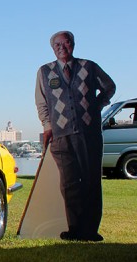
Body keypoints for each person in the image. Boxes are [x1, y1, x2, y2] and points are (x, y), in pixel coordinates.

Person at [35, 30, 116, 242]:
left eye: (66, 42)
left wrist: (97, 106)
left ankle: (90, 230)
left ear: (73, 44)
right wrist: (47, 126)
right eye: (57, 44)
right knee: (69, 183)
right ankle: (74, 228)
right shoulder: (45, 72)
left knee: (91, 180)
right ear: (53, 48)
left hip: (89, 134)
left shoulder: (89, 67)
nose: (62, 47)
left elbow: (109, 87)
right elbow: (42, 103)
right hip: (61, 135)